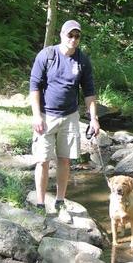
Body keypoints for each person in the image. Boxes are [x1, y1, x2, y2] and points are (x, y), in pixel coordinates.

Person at [29, 20, 100, 210]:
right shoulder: (47, 55)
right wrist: (36, 115)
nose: (74, 39)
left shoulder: (82, 60)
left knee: (65, 159)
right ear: (62, 35)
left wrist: (93, 118)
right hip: (46, 116)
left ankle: (60, 200)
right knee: (42, 160)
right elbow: (34, 87)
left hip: (70, 116)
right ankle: (40, 203)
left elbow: (89, 92)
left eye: (77, 36)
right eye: (70, 35)